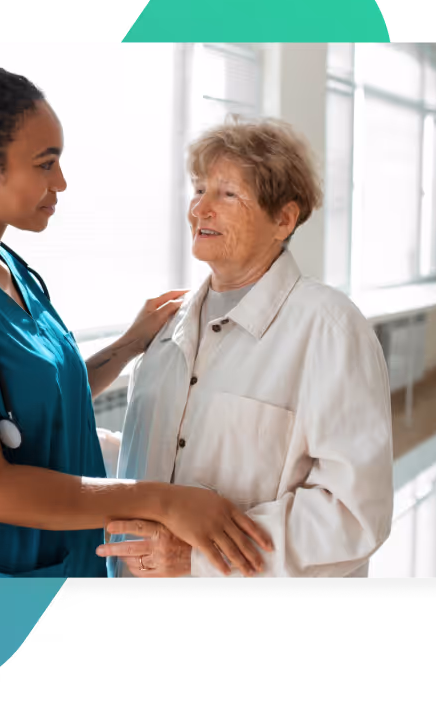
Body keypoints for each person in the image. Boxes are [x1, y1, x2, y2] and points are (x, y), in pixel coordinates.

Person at [0, 62, 274, 578]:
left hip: (63, 567)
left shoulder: (13, 271)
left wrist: (127, 346)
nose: (63, 182)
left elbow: (33, 403)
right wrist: (163, 501)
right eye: (45, 164)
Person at [97, 116, 395, 578]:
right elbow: (160, 458)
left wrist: (194, 556)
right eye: (198, 190)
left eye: (226, 194)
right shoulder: (166, 328)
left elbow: (352, 515)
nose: (200, 210)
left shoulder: (330, 329)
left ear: (284, 219)